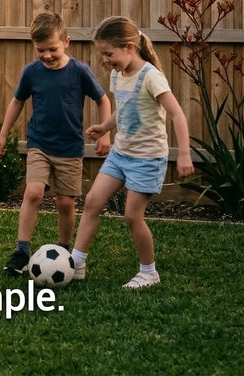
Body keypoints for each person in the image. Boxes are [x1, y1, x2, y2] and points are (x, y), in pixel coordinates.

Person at [71, 16, 194, 288]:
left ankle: (149, 272)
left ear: (129, 47)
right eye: (103, 54)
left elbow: (177, 114)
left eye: (109, 54)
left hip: (147, 159)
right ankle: (76, 262)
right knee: (92, 202)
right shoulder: (118, 75)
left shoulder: (151, 76)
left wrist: (184, 153)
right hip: (120, 153)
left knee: (131, 216)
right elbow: (124, 110)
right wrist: (105, 126)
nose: (106, 60)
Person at [0, 11, 112, 276]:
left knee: (65, 203)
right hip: (39, 144)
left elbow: (103, 100)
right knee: (33, 192)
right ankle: (22, 251)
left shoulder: (79, 71)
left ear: (66, 42)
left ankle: (64, 252)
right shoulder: (32, 72)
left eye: (52, 49)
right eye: (40, 50)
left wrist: (105, 133)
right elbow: (17, 102)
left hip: (70, 149)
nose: (47, 55)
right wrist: (3, 134)